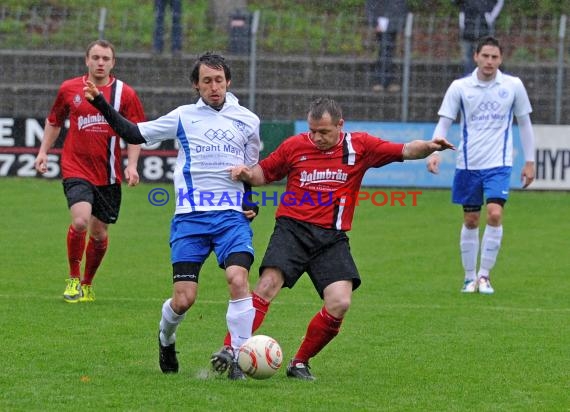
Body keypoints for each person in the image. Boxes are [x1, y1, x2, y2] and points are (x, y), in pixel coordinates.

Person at [211, 97, 455, 380]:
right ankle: (232, 351)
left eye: (324, 131)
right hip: (292, 229)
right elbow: (264, 173)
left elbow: (404, 149)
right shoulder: (295, 145)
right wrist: (245, 173)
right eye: (312, 130)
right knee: (267, 285)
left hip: (331, 237)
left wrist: (429, 146)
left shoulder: (360, 146)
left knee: (340, 302)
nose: (317, 137)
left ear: (340, 125)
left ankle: (300, 362)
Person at [83, 52, 261, 380]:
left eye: (219, 80)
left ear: (228, 81)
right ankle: (166, 338)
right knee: (183, 300)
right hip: (190, 219)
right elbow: (135, 134)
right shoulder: (182, 116)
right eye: (206, 81)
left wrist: (251, 200)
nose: (213, 87)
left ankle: (238, 355)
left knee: (238, 279)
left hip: (230, 217)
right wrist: (103, 106)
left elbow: (251, 170)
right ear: (196, 85)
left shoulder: (249, 120)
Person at [34, 40, 146, 304]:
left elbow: (135, 133)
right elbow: (54, 121)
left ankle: (87, 283)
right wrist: (43, 152)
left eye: (105, 58)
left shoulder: (125, 94)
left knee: (99, 233)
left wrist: (132, 165)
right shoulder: (69, 88)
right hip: (76, 167)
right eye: (95, 57)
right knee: (81, 221)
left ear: (113, 63)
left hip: (107, 174)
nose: (100, 63)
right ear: (86, 60)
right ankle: (73, 279)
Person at [426, 36, 536, 295]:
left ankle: (485, 276)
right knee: (471, 219)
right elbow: (445, 121)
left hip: (499, 163)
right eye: (485, 56)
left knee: (495, 214)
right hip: (468, 164)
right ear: (475, 56)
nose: (489, 61)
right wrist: (434, 151)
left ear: (501, 59)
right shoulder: (460, 87)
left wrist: (530, 161)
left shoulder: (513, 86)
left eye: (494, 57)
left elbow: (525, 123)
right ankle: (469, 277)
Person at [365, 0, 408, 93]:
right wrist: (375, 20)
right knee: (385, 50)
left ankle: (383, 81)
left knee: (386, 50)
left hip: (389, 19)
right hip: (385, 19)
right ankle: (383, 81)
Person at [453, 0, 504, 75]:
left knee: (485, 59)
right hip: (467, 32)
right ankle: (468, 81)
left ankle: (485, 82)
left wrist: (489, 18)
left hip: (484, 33)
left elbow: (499, 2)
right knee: (467, 61)